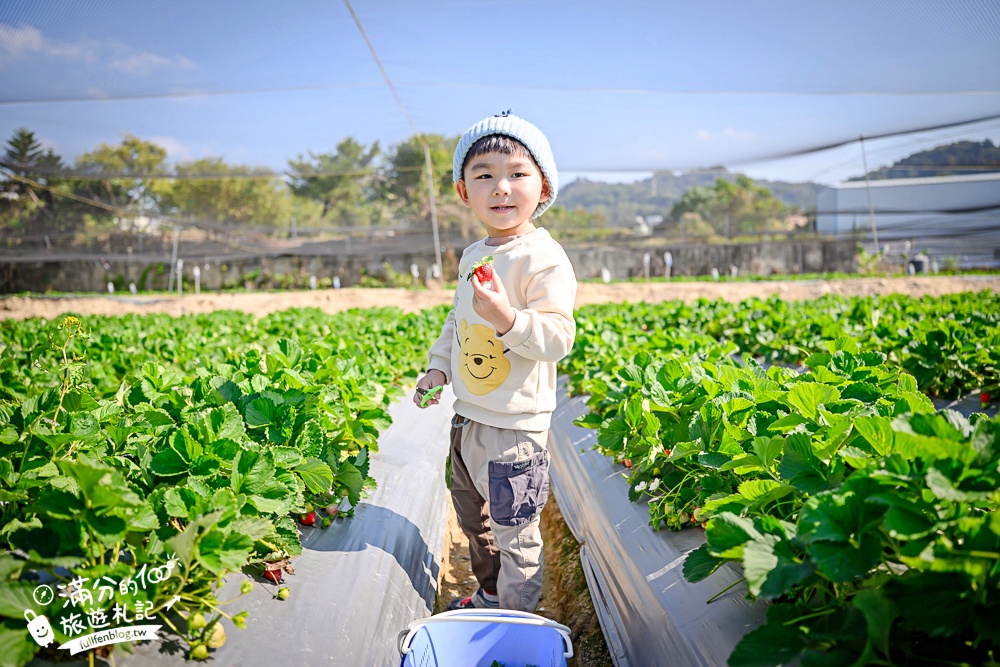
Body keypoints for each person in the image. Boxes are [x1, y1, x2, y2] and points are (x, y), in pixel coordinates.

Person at [413, 111, 577, 612]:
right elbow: (457, 322)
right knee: (473, 520)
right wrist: (440, 367)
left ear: (543, 186)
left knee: (516, 531)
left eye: (517, 174)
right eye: (484, 174)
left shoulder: (543, 259)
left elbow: (558, 337)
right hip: (468, 419)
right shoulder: (472, 256)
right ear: (464, 191)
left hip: (515, 430)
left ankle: (516, 619)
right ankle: (488, 592)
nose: (501, 187)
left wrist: (508, 319)